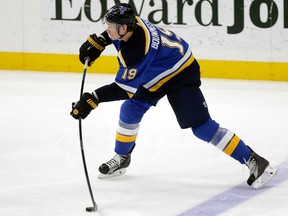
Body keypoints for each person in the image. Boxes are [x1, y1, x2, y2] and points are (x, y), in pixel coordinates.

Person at [71, 3, 276, 188]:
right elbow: (114, 36)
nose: (107, 28)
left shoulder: (137, 51)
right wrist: (100, 40)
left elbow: (123, 88)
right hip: (156, 71)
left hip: (180, 73)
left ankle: (254, 160)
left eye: (110, 26)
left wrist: (93, 98)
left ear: (123, 28)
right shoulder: (131, 26)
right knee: (130, 110)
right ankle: (122, 157)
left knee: (202, 127)